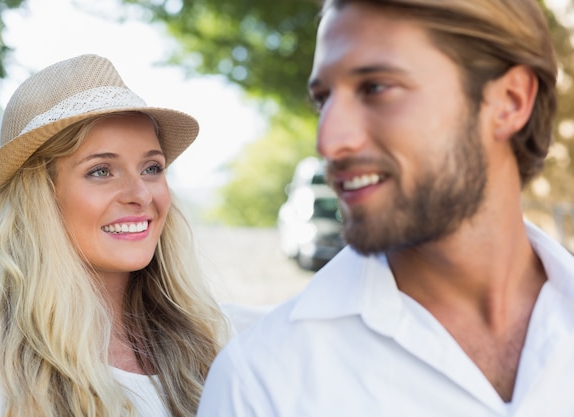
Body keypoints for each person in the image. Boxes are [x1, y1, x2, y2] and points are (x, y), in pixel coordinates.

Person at [197, 0, 574, 415]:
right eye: (322, 100)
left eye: (376, 87)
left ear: (510, 100)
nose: (329, 141)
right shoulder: (262, 381)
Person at [0, 54, 231, 417]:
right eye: (101, 171)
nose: (141, 194)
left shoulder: (222, 345)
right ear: (41, 198)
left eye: (151, 168)